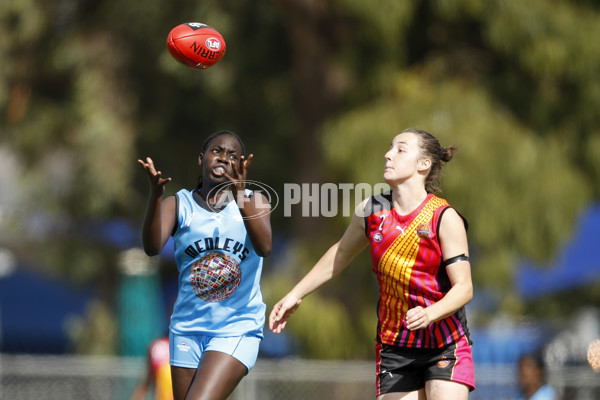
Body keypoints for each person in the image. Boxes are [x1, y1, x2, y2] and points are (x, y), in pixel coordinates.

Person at [269, 128, 475, 399]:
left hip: (444, 343)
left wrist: (430, 313)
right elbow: (340, 254)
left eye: (400, 150)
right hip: (395, 344)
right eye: (390, 148)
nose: (388, 155)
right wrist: (296, 294)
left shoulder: (443, 217)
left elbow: (464, 288)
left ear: (424, 164)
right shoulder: (371, 210)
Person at [138, 130, 272, 400]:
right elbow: (152, 248)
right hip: (187, 328)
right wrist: (155, 197)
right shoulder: (179, 205)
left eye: (232, 155)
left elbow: (264, 247)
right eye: (217, 151)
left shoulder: (255, 201)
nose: (223, 158)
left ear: (241, 165)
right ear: (201, 158)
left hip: (236, 327)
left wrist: (240, 194)